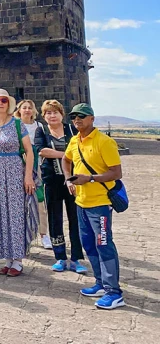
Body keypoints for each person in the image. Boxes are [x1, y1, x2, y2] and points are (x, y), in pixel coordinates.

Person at [63, 103, 125, 310]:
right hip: (81, 202)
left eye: (82, 116)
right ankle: (100, 282)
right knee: (88, 245)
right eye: (74, 117)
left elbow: (116, 173)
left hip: (100, 204)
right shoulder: (74, 140)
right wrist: (69, 180)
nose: (77, 119)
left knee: (104, 245)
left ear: (92, 118)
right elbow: (66, 159)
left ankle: (114, 292)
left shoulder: (104, 142)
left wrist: (89, 178)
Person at [0, 88, 38, 277]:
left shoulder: (17, 124)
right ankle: (7, 258)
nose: (0, 103)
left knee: (15, 214)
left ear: (8, 103)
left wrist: (28, 176)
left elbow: (29, 151)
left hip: (14, 172)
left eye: (3, 100)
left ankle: (18, 260)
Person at [35, 100, 87, 274]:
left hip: (73, 179)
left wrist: (61, 155)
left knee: (75, 218)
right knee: (54, 218)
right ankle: (60, 257)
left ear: (61, 114)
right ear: (44, 116)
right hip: (52, 180)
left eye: (55, 112)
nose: (52, 115)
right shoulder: (41, 130)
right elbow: (42, 150)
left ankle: (76, 258)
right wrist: (67, 154)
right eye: (48, 113)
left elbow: (81, 148)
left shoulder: (72, 130)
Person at [15, 99, 52, 250]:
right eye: (24, 108)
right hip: (19, 164)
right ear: (19, 110)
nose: (27, 110)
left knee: (39, 198)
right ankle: (24, 234)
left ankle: (44, 234)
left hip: (37, 164)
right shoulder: (14, 125)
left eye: (30, 108)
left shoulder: (39, 126)